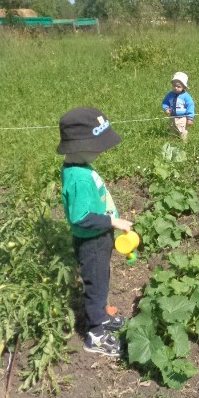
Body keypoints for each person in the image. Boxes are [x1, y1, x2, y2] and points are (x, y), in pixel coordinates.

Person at [57, 107, 133, 356]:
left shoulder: (79, 166)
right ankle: (95, 334)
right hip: (92, 244)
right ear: (78, 146)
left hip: (98, 241)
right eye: (98, 145)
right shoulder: (78, 178)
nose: (101, 150)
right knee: (96, 286)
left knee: (102, 281)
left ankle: (101, 317)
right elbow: (81, 217)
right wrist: (113, 223)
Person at [161, 71, 195, 141]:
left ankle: (183, 142)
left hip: (182, 117)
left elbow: (190, 106)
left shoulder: (186, 96)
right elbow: (165, 102)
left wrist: (190, 118)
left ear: (184, 87)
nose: (176, 88)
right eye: (174, 86)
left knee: (182, 131)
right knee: (173, 129)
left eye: (179, 86)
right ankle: (174, 141)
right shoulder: (170, 94)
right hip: (172, 116)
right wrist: (166, 108)